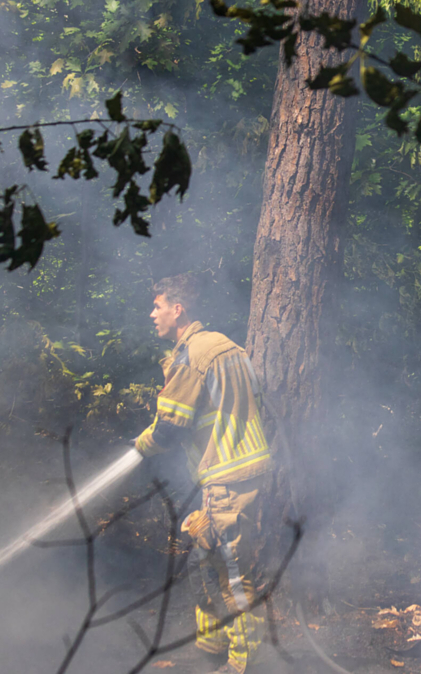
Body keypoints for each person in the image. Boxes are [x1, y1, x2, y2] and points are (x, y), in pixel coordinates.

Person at [134, 273, 275, 674]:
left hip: (226, 476)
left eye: (157, 307)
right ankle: (212, 646)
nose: (152, 315)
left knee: (230, 572)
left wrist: (138, 447)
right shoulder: (226, 346)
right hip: (238, 471)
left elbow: (169, 426)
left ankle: (246, 663)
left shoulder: (192, 355)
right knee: (204, 561)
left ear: (177, 309)